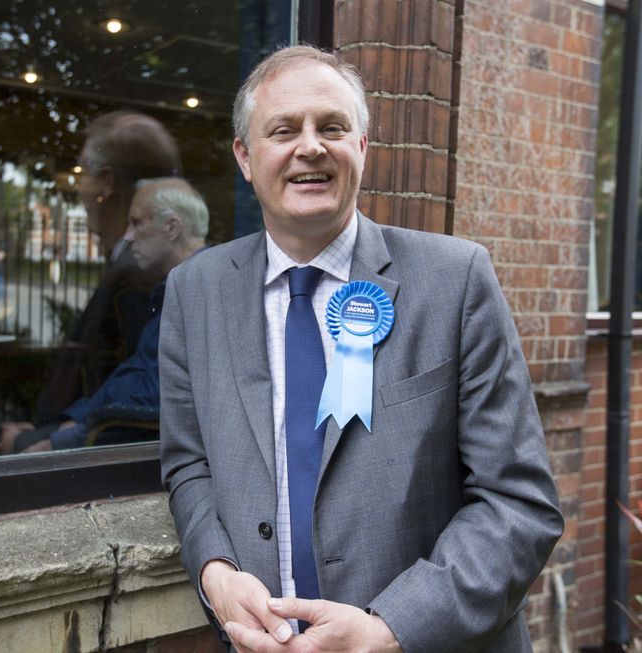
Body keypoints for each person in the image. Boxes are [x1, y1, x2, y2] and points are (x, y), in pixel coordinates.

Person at [159, 45, 563, 652]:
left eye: (332, 127)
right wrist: (215, 572)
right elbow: (187, 466)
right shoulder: (195, 290)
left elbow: (518, 504)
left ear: (363, 148)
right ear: (245, 156)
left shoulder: (455, 281)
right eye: (284, 130)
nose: (311, 147)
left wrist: (390, 629)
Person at [1, 178, 208, 453]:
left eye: (136, 223)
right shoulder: (186, 284)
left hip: (130, 441)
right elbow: (140, 375)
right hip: (119, 431)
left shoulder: (200, 289)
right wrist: (73, 420)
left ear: (172, 227)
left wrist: (63, 434)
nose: (127, 237)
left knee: (6, 442)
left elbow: (155, 394)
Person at [32, 111, 183, 423]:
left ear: (107, 183)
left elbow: (129, 389)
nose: (78, 188)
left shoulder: (138, 277)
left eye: (83, 172)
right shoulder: (139, 267)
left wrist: (46, 439)